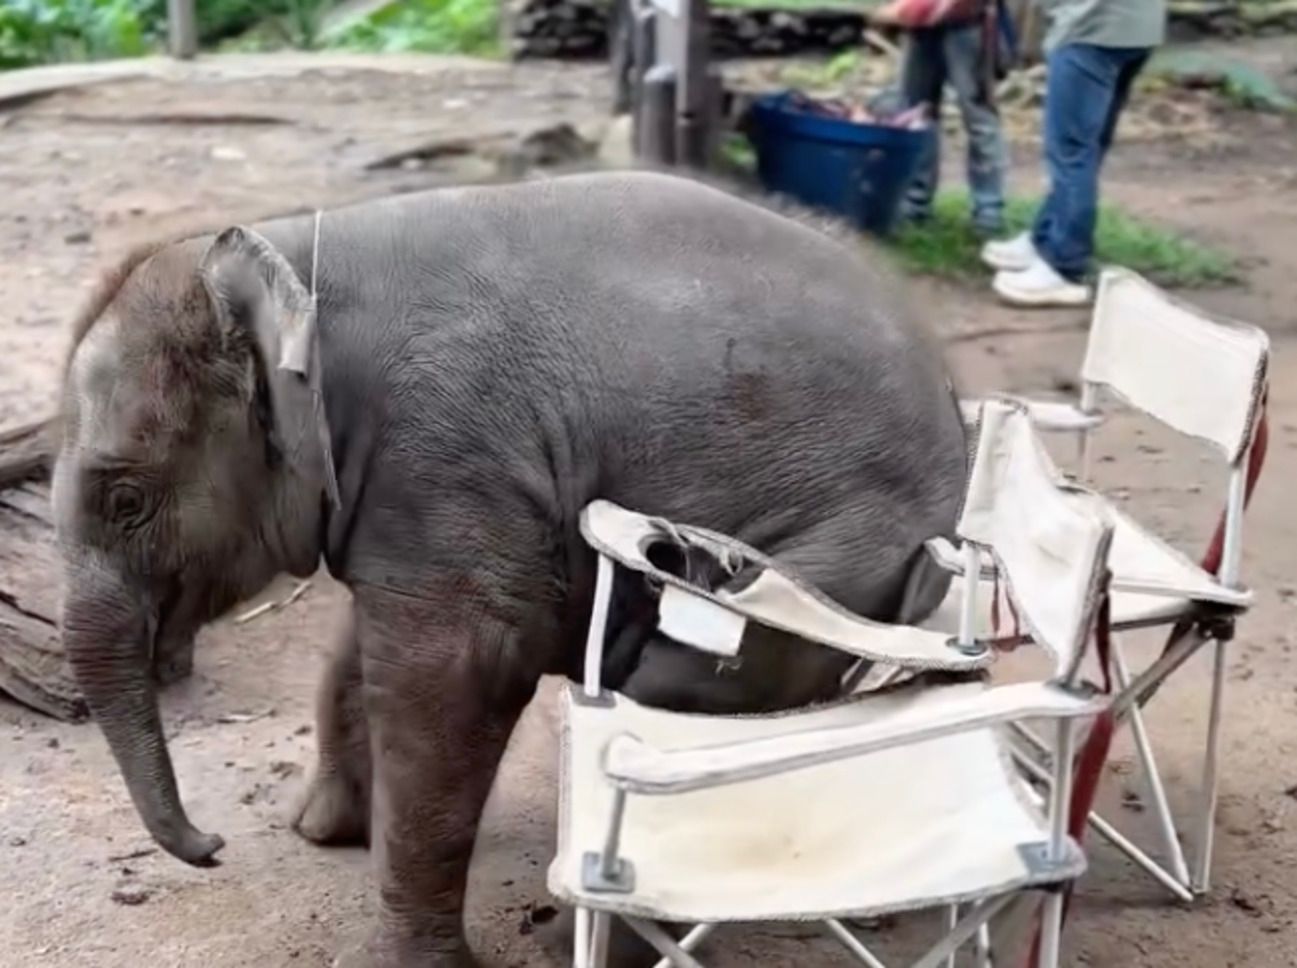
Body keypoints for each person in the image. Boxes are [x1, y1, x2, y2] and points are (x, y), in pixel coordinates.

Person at [982, 0, 1168, 306]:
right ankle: (1046, 237)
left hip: (1089, 27)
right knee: (1087, 147)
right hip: (1137, 27)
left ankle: (1064, 264)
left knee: (1071, 152)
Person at [878, 0, 1010, 237]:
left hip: (968, 18)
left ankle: (988, 213)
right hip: (921, 25)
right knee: (917, 114)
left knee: (979, 118)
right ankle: (915, 203)